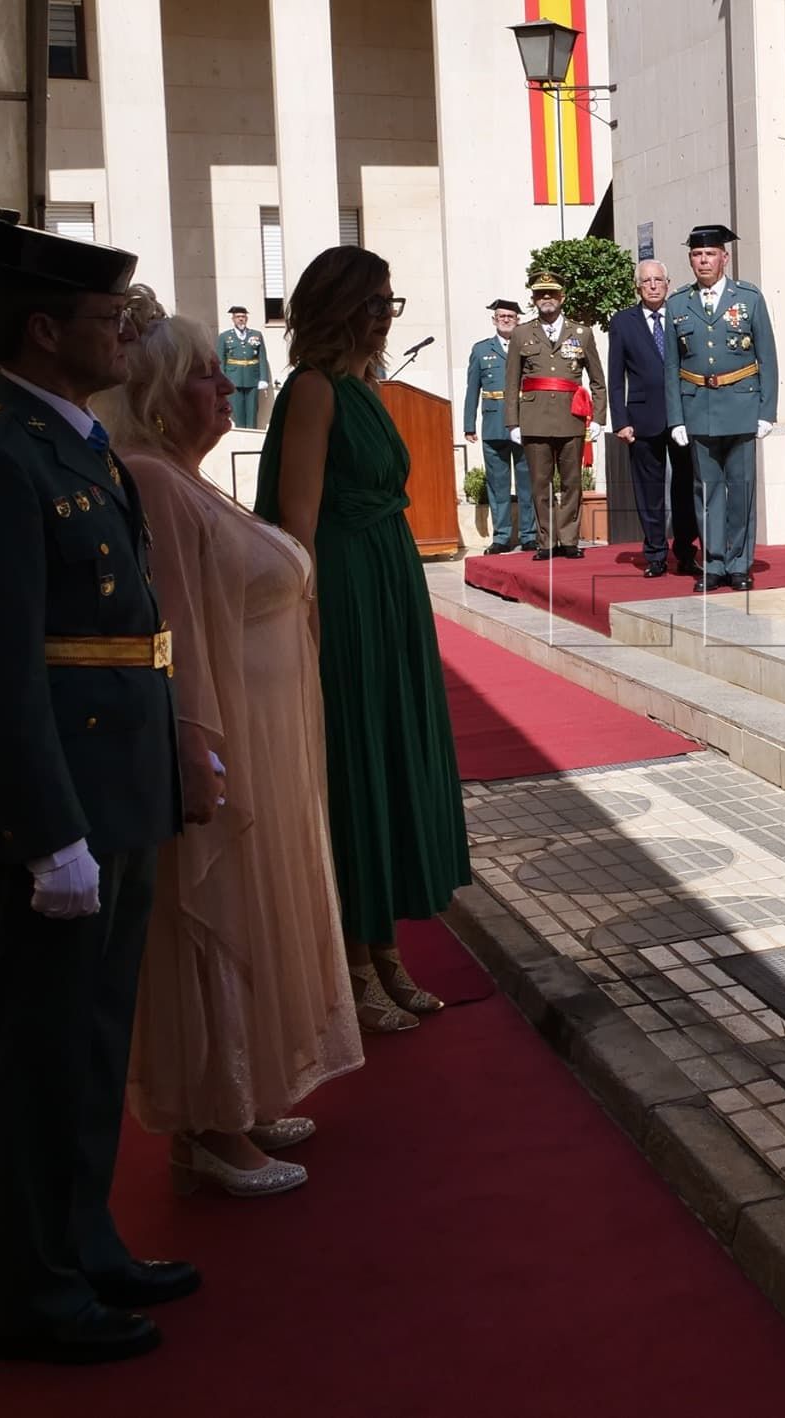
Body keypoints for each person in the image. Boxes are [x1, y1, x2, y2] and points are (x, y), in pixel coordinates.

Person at [0, 208, 193, 1364]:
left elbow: (124, 630)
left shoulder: (71, 439)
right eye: (107, 315)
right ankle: (29, 1291)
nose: (126, 331)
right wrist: (48, 832)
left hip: (115, 783)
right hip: (58, 809)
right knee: (35, 1054)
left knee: (91, 1040)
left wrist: (172, 753)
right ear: (45, 329)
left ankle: (83, 1239)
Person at [93, 292, 361, 1198]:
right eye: (205, 376)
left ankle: (240, 1099)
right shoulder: (155, 481)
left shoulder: (187, 477)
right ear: (161, 397)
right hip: (230, 738)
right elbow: (173, 629)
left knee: (257, 906)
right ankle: (211, 1125)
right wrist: (197, 747)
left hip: (267, 732)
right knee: (219, 917)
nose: (224, 387)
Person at [254, 245, 471, 1033]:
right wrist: (309, 624)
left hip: (389, 584)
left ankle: (383, 952)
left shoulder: (363, 386)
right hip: (345, 593)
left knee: (388, 757)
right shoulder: (313, 390)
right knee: (354, 769)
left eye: (389, 302)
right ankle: (348, 966)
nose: (385, 316)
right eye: (375, 302)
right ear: (338, 306)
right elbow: (297, 521)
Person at [663, 224, 778, 592]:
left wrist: (767, 411)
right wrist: (676, 418)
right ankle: (713, 564)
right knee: (707, 491)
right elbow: (671, 367)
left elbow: (767, 357)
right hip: (698, 409)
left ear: (724, 258)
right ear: (690, 260)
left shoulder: (749, 298)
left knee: (741, 490)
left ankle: (739, 564)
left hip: (742, 406)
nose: (704, 261)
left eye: (710, 254)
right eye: (697, 255)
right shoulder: (677, 303)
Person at [606, 258, 700, 578]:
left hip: (682, 416)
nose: (653, 286)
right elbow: (615, 376)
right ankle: (656, 554)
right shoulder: (623, 322)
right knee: (649, 490)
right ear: (638, 287)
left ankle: (686, 552)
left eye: (658, 280)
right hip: (642, 418)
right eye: (646, 281)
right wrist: (620, 420)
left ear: (668, 284)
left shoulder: (682, 315)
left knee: (685, 487)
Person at [509, 276, 605, 561]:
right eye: (541, 295)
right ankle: (547, 541)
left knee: (572, 482)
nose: (546, 299)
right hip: (534, 418)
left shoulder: (582, 333)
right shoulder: (521, 334)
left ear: (562, 297)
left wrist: (598, 418)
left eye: (551, 293)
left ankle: (570, 539)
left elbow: (597, 380)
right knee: (540, 483)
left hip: (571, 417)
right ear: (534, 300)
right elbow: (511, 381)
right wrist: (512, 422)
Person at [461, 298, 538, 555]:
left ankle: (529, 535)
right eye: (501, 316)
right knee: (498, 485)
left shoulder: (528, 346)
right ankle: (502, 537)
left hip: (525, 423)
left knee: (527, 484)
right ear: (494, 320)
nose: (506, 319)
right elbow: (473, 388)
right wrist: (469, 424)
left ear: (518, 320)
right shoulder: (481, 349)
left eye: (510, 316)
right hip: (494, 425)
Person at [218, 304, 272, 429]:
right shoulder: (224, 336)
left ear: (246, 319)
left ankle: (252, 435)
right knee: (237, 412)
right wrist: (222, 381)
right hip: (233, 379)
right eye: (238, 317)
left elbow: (262, 358)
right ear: (233, 319)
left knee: (252, 412)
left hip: (252, 378)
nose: (241, 319)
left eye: (243, 317)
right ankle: (242, 437)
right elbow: (220, 359)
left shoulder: (256, 335)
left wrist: (263, 379)